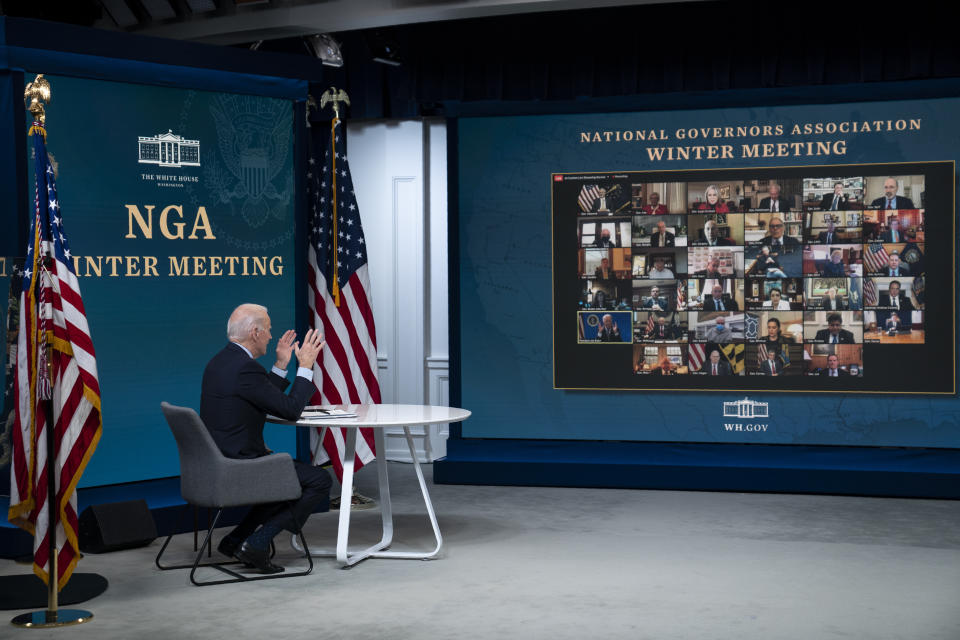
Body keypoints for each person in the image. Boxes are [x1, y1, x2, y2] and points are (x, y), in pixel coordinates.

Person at [201, 303, 331, 574]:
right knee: (319, 480)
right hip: (239, 466)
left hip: (216, 463)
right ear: (255, 332)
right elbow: (290, 410)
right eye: (269, 330)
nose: (272, 337)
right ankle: (257, 543)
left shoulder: (221, 362)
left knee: (284, 477)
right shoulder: (245, 369)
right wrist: (305, 366)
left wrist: (281, 365)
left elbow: (260, 397)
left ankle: (236, 540)